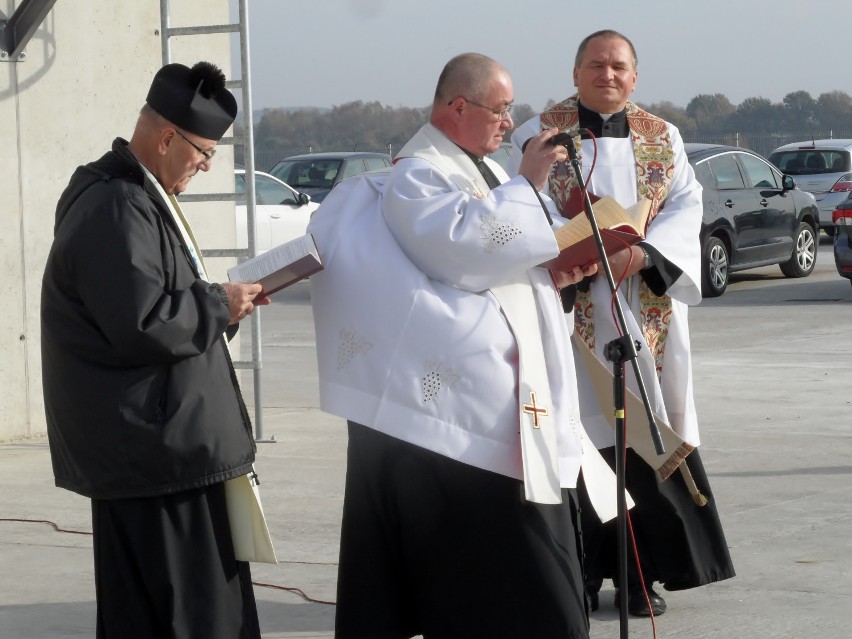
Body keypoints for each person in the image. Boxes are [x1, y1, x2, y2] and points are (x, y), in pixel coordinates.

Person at [307, 52, 614, 638]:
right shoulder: (418, 174)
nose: (508, 122)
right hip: (466, 413)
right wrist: (528, 183)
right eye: (500, 110)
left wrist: (558, 271)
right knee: (499, 566)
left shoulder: (486, 173)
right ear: (457, 107)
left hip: (512, 398)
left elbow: (515, 252)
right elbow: (463, 252)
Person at [510, 29, 736, 617]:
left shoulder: (664, 137)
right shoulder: (538, 133)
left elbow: (687, 205)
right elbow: (517, 199)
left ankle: (641, 576)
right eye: (595, 65)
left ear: (634, 77)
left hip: (644, 307)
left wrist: (643, 255)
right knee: (577, 442)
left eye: (618, 66)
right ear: (575, 71)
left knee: (644, 440)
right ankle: (580, 574)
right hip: (570, 310)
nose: (606, 74)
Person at [40, 61, 269, 638]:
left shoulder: (140, 198)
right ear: (167, 137)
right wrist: (219, 304)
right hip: (160, 460)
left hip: (170, 452)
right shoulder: (117, 205)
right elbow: (141, 323)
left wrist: (225, 309)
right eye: (203, 152)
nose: (205, 166)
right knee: (188, 618)